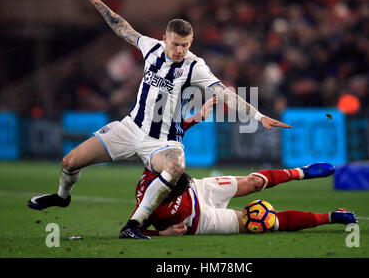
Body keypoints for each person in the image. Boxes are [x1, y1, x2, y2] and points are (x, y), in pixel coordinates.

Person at [27, 0, 291, 240]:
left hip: (162, 142)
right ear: (165, 39)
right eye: (176, 44)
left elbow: (223, 93)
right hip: (130, 128)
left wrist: (258, 115)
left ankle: (133, 225)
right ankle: (62, 197)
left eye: (185, 45)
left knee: (176, 167)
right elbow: (122, 27)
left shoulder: (194, 66)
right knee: (70, 162)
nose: (180, 50)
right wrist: (96, 1)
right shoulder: (150, 48)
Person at [120, 98, 356, 238]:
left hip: (200, 189)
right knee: (264, 223)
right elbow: (129, 231)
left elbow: (173, 133)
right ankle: (331, 217)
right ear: (166, 191)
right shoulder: (148, 206)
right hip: (202, 221)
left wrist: (198, 117)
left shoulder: (158, 165)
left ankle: (301, 172)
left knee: (253, 182)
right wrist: (162, 233)